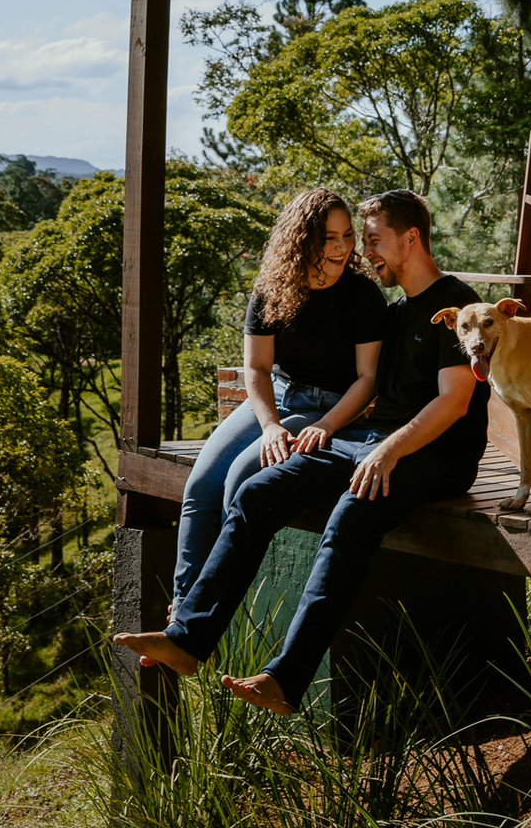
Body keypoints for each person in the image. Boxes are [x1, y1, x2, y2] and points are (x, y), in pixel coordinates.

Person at [115, 189, 486, 714]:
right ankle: (187, 640)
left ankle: (284, 679)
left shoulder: (456, 307)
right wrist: (364, 443)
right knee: (256, 492)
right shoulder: (397, 311)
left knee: (351, 516)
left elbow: (454, 403)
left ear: (411, 238)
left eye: (372, 239)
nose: (365, 252)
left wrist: (387, 451)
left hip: (435, 454)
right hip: (370, 442)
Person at [170, 188, 387, 607]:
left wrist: (326, 424)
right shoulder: (272, 289)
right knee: (201, 483)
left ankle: (207, 608)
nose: (342, 247)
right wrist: (269, 425)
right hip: (278, 399)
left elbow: (368, 378)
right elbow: (256, 368)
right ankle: (182, 607)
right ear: (302, 239)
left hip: (330, 408)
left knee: (239, 478)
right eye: (329, 237)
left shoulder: (362, 295)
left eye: (347, 236)